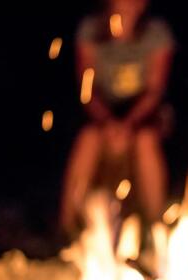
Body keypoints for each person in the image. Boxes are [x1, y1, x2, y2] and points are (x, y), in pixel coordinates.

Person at [60, 0, 175, 236]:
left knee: (145, 142)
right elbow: (87, 89)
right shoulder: (91, 30)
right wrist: (109, 123)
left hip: (143, 115)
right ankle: (67, 227)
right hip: (102, 113)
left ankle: (156, 228)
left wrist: (128, 124)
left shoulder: (156, 34)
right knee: (89, 140)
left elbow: (155, 91)